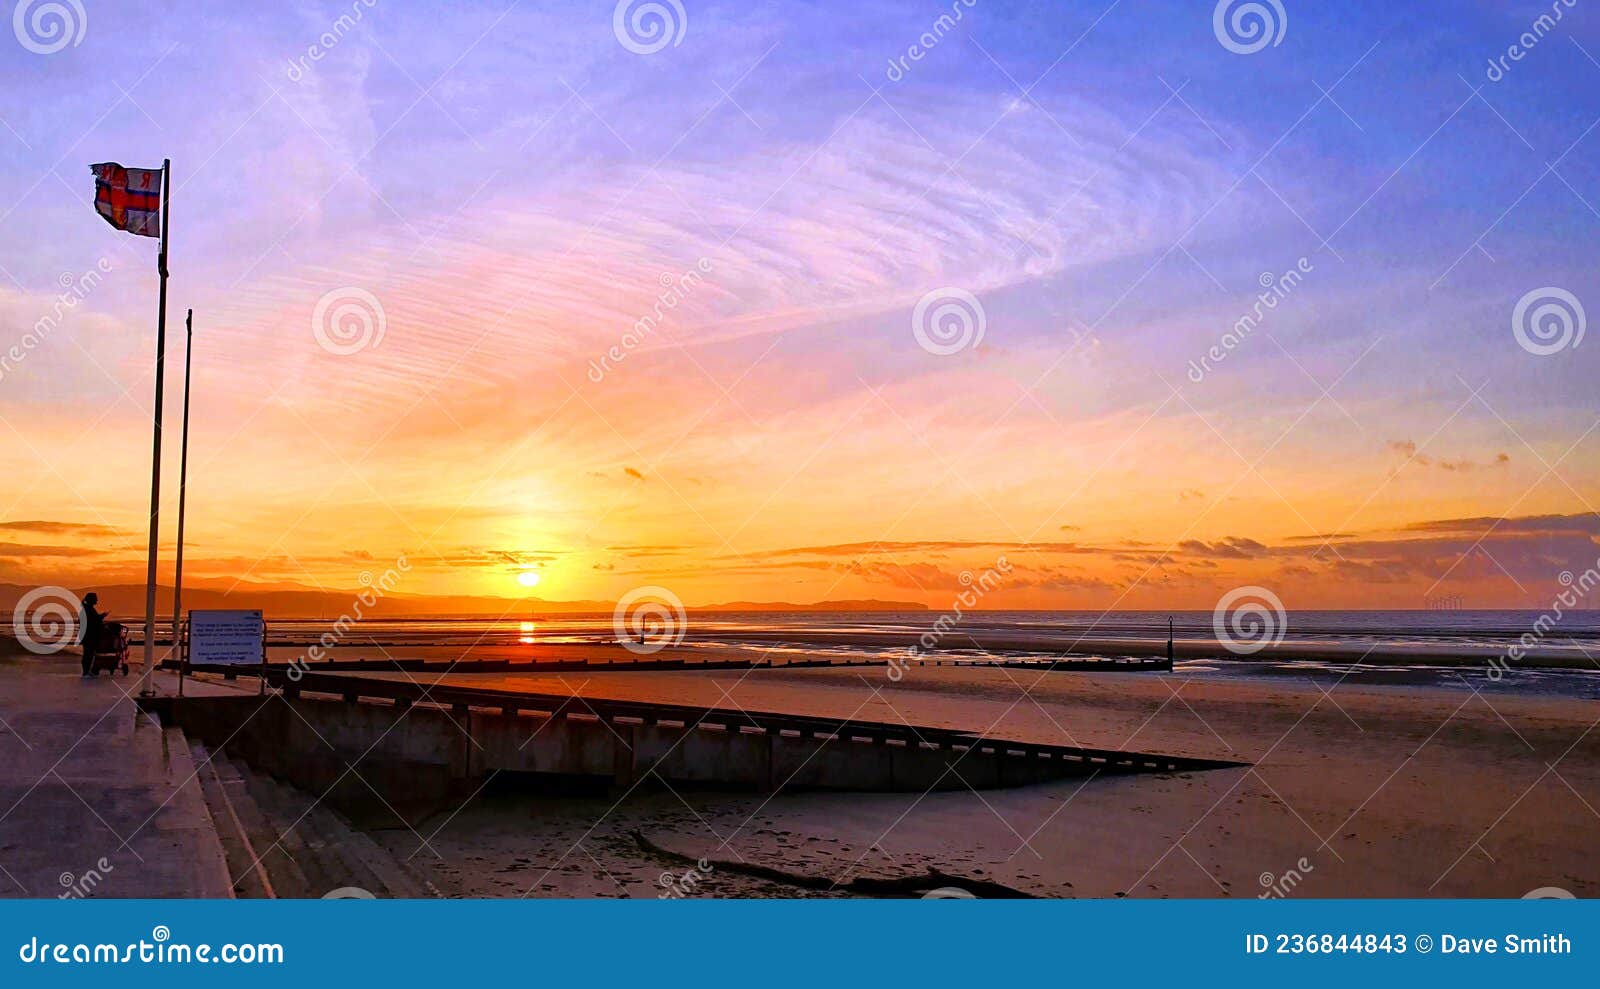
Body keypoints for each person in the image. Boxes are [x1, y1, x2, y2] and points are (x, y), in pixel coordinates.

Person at [79, 592, 107, 677]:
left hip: (89, 636)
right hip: (89, 636)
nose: (97, 600)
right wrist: (101, 617)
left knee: (89, 654)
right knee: (88, 654)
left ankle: (87, 671)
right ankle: (85, 672)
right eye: (95, 599)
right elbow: (92, 621)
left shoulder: (88, 609)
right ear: (91, 600)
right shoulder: (88, 610)